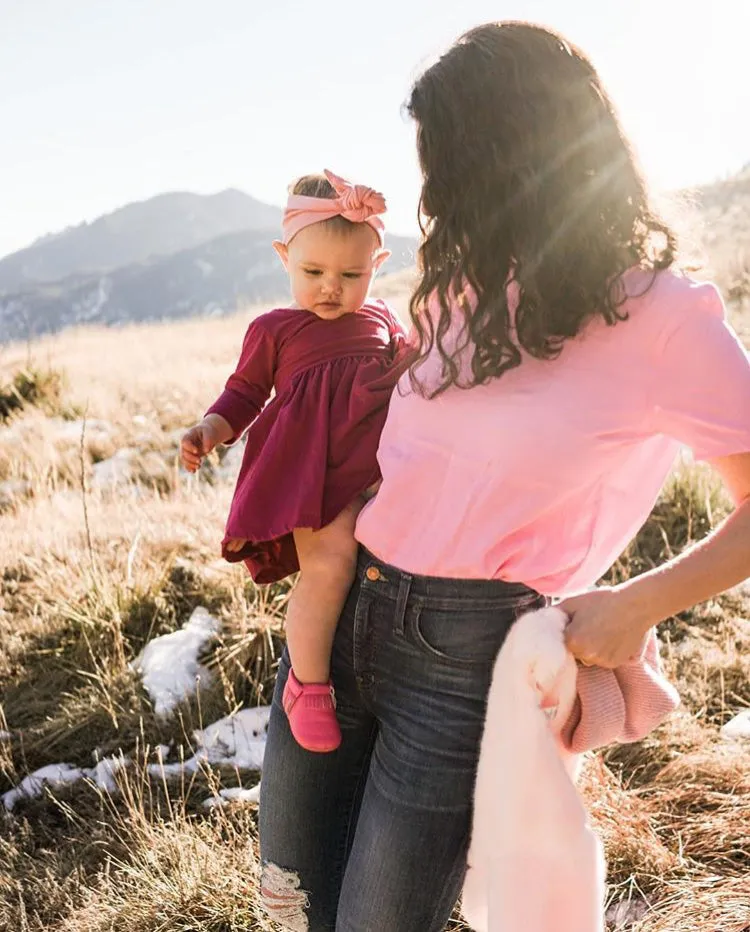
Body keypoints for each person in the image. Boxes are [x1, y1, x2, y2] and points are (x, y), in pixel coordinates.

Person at [257, 21, 750, 932]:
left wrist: (638, 604)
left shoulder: (666, 318)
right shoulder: (458, 287)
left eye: (444, 160)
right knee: (293, 908)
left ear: (507, 153)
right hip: (345, 624)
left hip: (467, 662)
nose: (433, 191)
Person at [180, 170, 406, 753]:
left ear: (376, 265)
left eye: (350, 274)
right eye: (313, 273)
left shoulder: (381, 319)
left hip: (388, 465)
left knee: (392, 566)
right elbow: (244, 394)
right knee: (328, 565)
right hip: (319, 477)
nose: (331, 287)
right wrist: (211, 429)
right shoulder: (276, 330)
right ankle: (308, 684)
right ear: (284, 257)